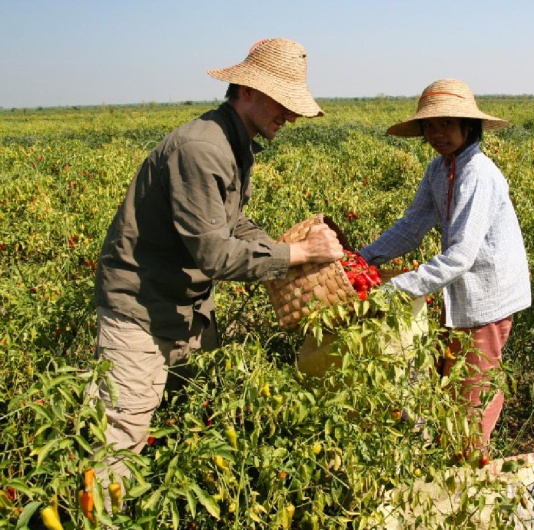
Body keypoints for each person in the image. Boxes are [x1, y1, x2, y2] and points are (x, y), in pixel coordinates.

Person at [90, 38, 344, 494]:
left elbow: (231, 221)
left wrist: (274, 249)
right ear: (247, 90)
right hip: (140, 313)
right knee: (118, 448)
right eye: (281, 103)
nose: (287, 115)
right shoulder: (202, 148)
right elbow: (215, 254)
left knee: (192, 421)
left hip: (186, 310)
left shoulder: (234, 141)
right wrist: (300, 255)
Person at [359, 78, 531, 458]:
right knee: (448, 378)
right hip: (459, 292)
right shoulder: (439, 170)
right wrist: (364, 258)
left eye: (447, 124)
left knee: (473, 389)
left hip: (488, 296)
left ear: (468, 127)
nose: (437, 133)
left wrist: (394, 288)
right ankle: (450, 457)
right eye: (430, 126)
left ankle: (470, 468)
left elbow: (460, 257)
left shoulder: (478, 174)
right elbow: (412, 227)